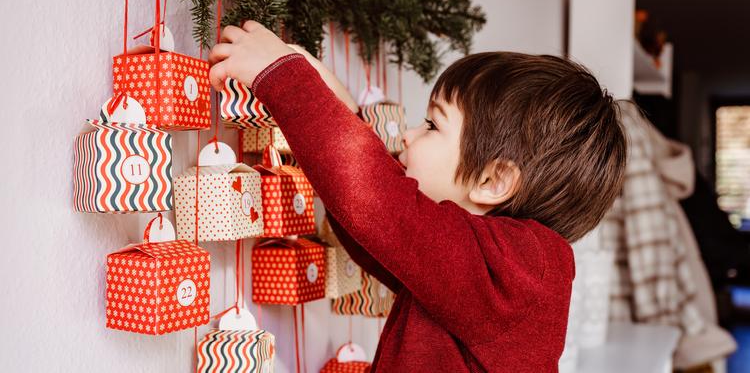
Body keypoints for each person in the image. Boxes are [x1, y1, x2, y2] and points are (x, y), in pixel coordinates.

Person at [208, 21, 627, 372]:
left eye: (432, 125)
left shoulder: (522, 269)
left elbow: (382, 207)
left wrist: (283, 76)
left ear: (493, 181)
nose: (409, 135)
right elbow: (377, 232)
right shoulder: (480, 263)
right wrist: (339, 110)